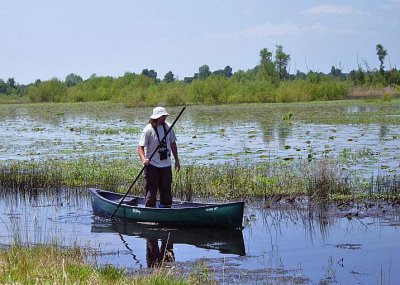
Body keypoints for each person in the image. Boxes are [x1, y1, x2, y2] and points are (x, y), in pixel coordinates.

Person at [138, 106, 180, 208]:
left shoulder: (168, 127)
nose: (164, 118)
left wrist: (177, 160)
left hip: (166, 165)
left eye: (165, 116)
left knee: (166, 190)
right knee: (151, 192)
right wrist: (144, 159)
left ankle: (165, 210)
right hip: (152, 165)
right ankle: (149, 212)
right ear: (156, 117)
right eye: (162, 116)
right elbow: (140, 147)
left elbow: (173, 144)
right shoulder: (148, 130)